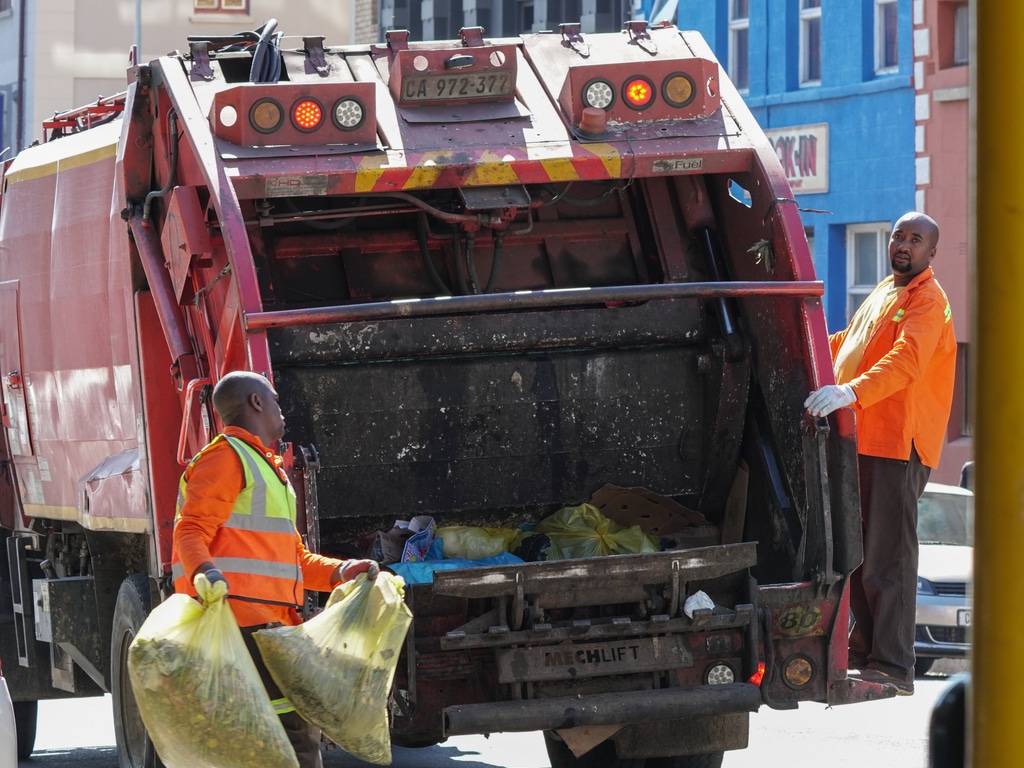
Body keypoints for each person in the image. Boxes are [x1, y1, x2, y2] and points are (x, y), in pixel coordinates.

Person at [171, 370, 379, 768]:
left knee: (282, 737)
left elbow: (294, 559)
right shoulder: (226, 457)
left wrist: (343, 570)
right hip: (244, 623)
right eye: (276, 401)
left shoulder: (268, 470)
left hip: (271, 624)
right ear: (256, 403)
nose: (282, 411)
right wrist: (207, 573)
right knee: (292, 737)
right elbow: (191, 528)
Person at [804, 212, 956, 696]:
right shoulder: (883, 293)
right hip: (863, 439)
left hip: (898, 443)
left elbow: (906, 362)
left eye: (916, 239)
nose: (904, 245)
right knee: (860, 553)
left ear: (932, 253)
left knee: (888, 557)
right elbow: (845, 344)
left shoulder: (928, 301)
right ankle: (867, 651)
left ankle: (893, 664)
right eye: (899, 236)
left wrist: (850, 392)